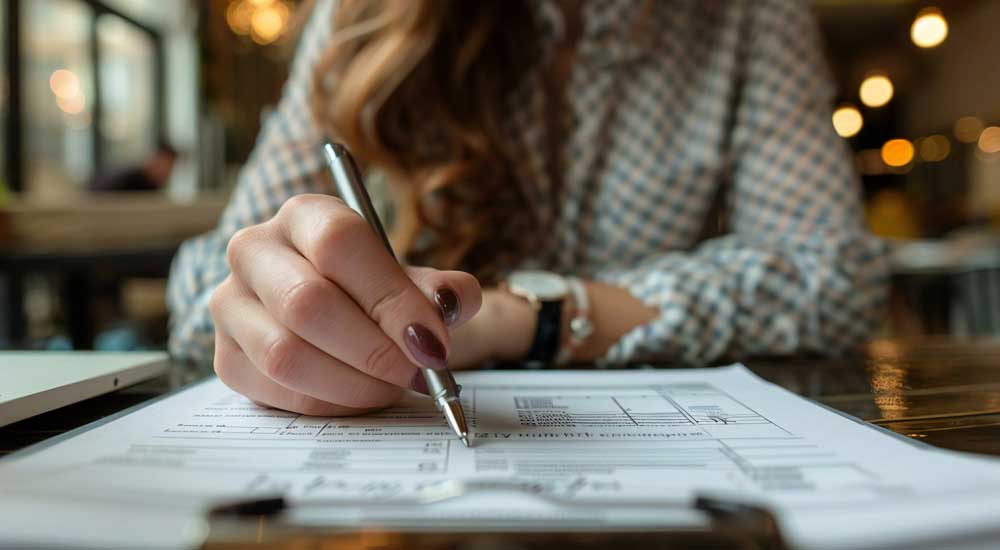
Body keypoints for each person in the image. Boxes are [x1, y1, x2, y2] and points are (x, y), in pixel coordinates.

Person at [167, 0, 888, 415]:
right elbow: (209, 291)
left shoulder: (748, 19)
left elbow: (833, 275)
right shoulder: (361, 17)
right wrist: (279, 307)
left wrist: (522, 321)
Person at [91, 141, 178, 192]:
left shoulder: (154, 186)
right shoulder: (130, 180)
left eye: (170, 167)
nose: (166, 171)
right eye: (165, 164)